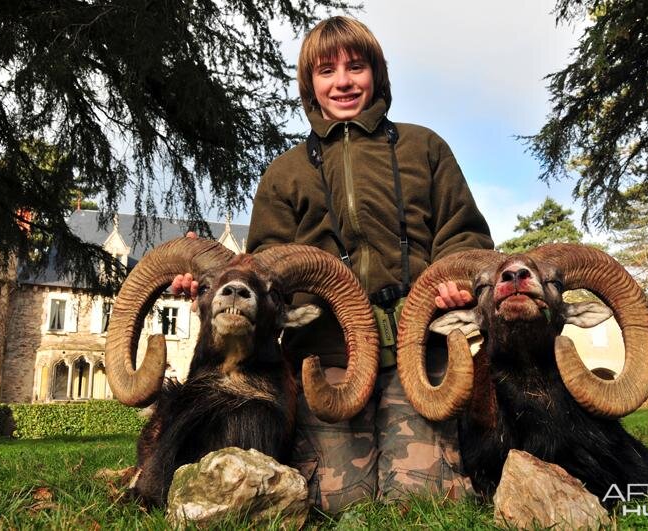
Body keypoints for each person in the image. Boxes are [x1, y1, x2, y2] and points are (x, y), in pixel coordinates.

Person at [173, 16, 493, 512]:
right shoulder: (285, 173)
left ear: (376, 74)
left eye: (356, 66)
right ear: (310, 85)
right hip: (325, 356)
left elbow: (464, 233)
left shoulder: (423, 148)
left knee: (425, 498)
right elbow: (260, 273)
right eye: (326, 71)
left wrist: (456, 281)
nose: (343, 81)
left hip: (417, 351)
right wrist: (211, 284)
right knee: (337, 501)